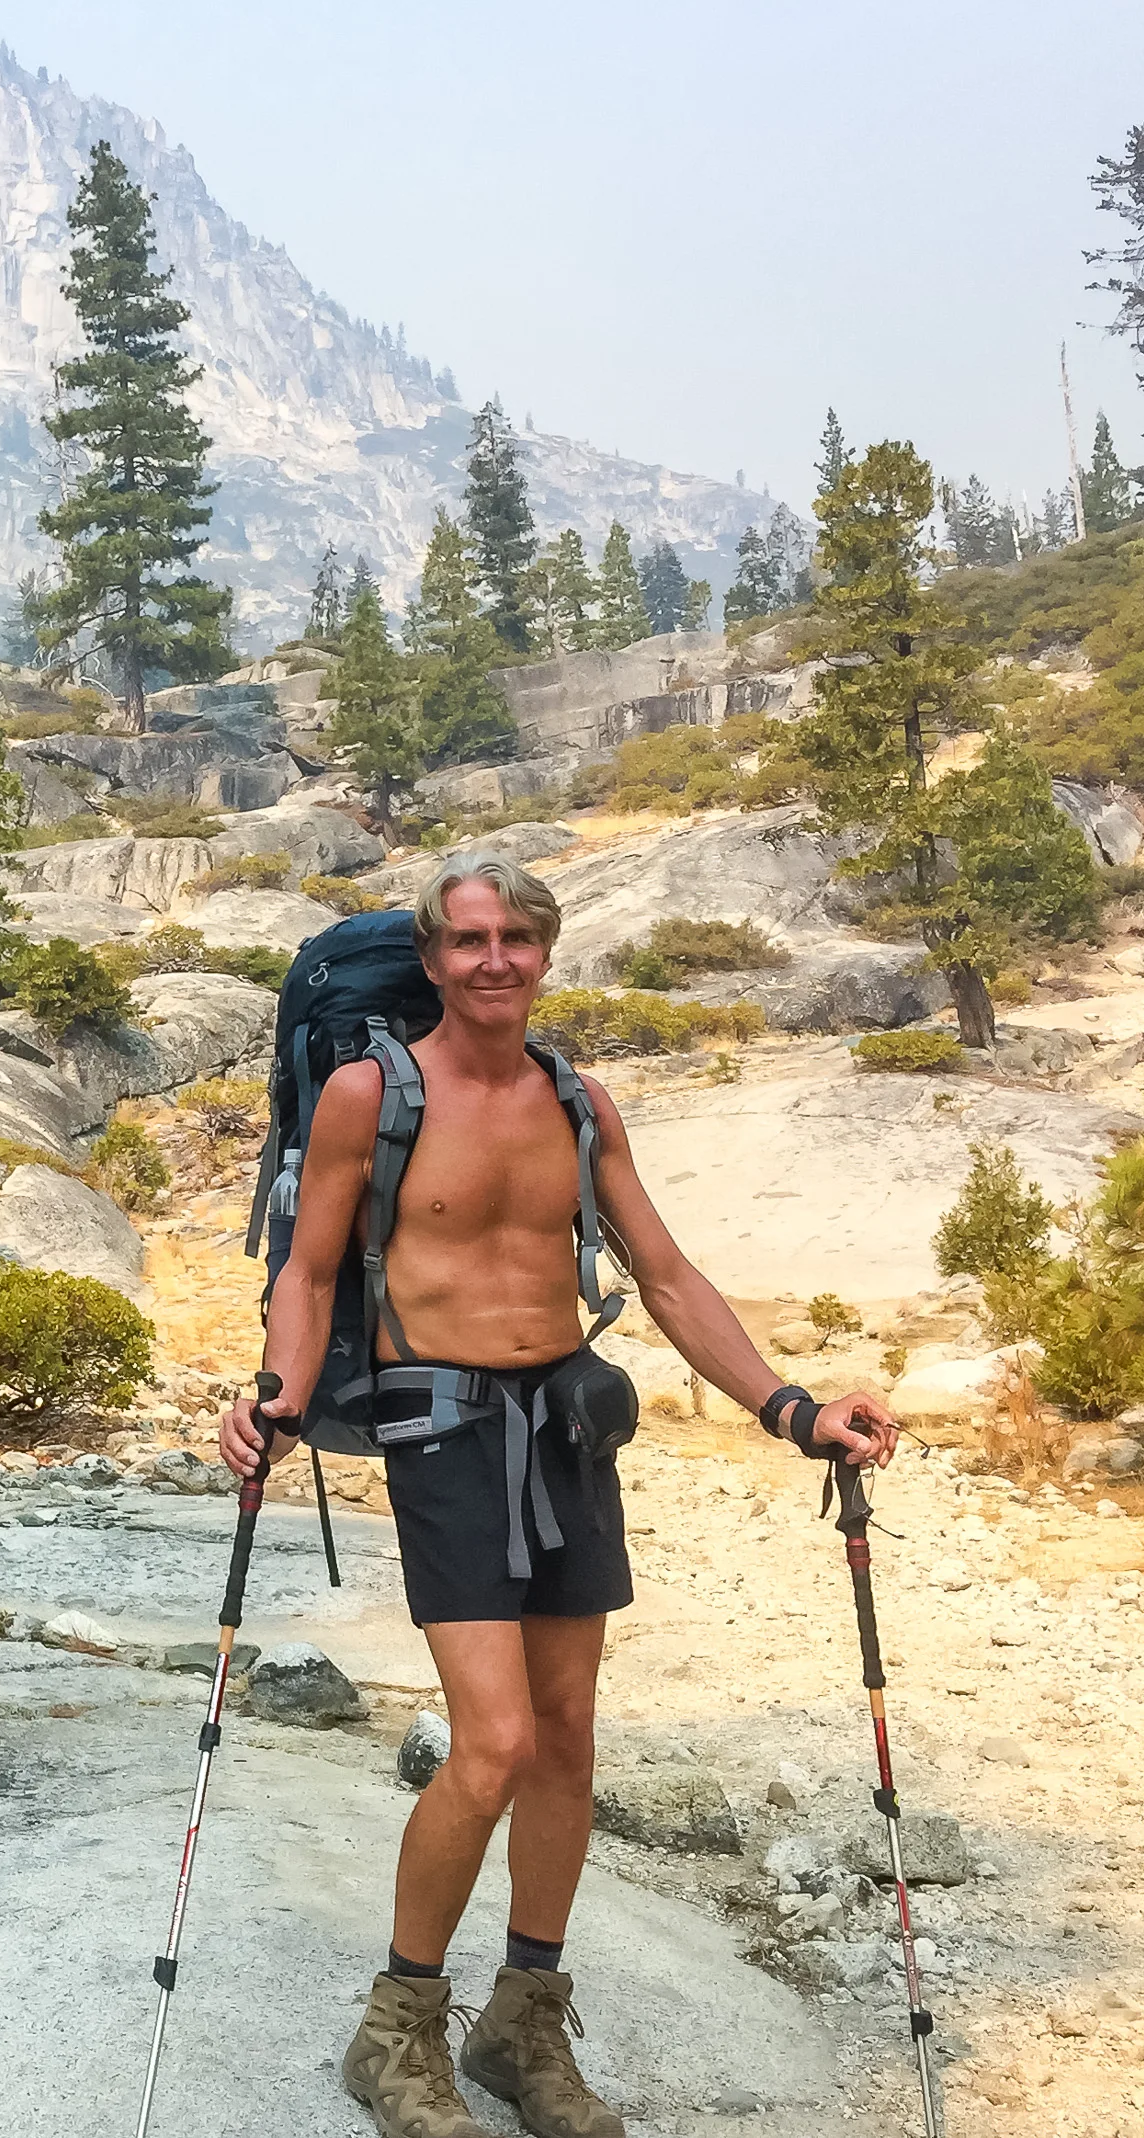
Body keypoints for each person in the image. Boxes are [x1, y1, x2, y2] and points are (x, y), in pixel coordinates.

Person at [219, 852, 897, 2138]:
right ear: (432, 959)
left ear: (544, 954)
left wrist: (793, 1409)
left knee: (568, 1739)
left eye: (516, 939)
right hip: (443, 1435)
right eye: (469, 939)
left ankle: (522, 2023)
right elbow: (306, 1275)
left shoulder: (578, 1103)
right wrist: (275, 1401)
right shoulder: (372, 1096)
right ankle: (396, 2029)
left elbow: (669, 1275)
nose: (494, 960)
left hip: (569, 1432)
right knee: (493, 1746)